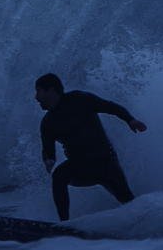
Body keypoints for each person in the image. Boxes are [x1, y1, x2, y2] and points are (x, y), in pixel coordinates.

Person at [34, 73, 146, 221]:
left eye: (38, 91)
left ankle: (145, 222)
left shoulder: (80, 99)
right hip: (80, 167)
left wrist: (130, 120)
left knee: (128, 201)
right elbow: (48, 149)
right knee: (59, 176)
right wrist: (48, 160)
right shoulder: (48, 122)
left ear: (51, 90)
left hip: (105, 163)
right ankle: (64, 225)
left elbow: (111, 107)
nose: (36, 97)